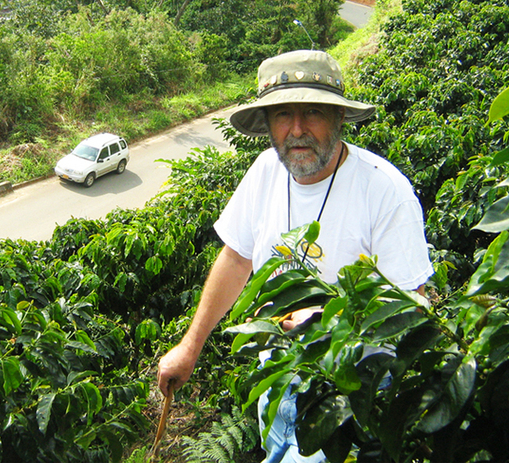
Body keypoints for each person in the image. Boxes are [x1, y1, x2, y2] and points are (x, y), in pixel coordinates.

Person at [156, 50, 433, 463]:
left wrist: (327, 318)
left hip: (346, 397)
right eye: (284, 114)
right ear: (267, 124)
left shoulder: (385, 191)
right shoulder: (266, 171)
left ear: (339, 118)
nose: (297, 129)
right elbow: (236, 258)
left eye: (313, 113)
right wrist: (190, 346)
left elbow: (413, 304)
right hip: (278, 384)